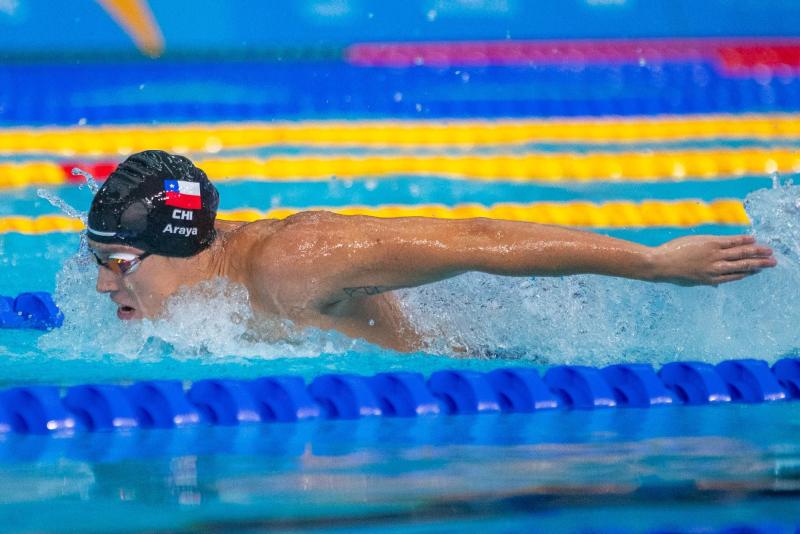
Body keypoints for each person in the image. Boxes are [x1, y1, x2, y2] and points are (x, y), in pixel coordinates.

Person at [87, 150, 777, 352]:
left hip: (482, 369)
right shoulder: (179, 285)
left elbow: (477, 241)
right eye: (98, 262)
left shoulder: (293, 264)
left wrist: (657, 264)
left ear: (174, 247)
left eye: (116, 265)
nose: (99, 287)